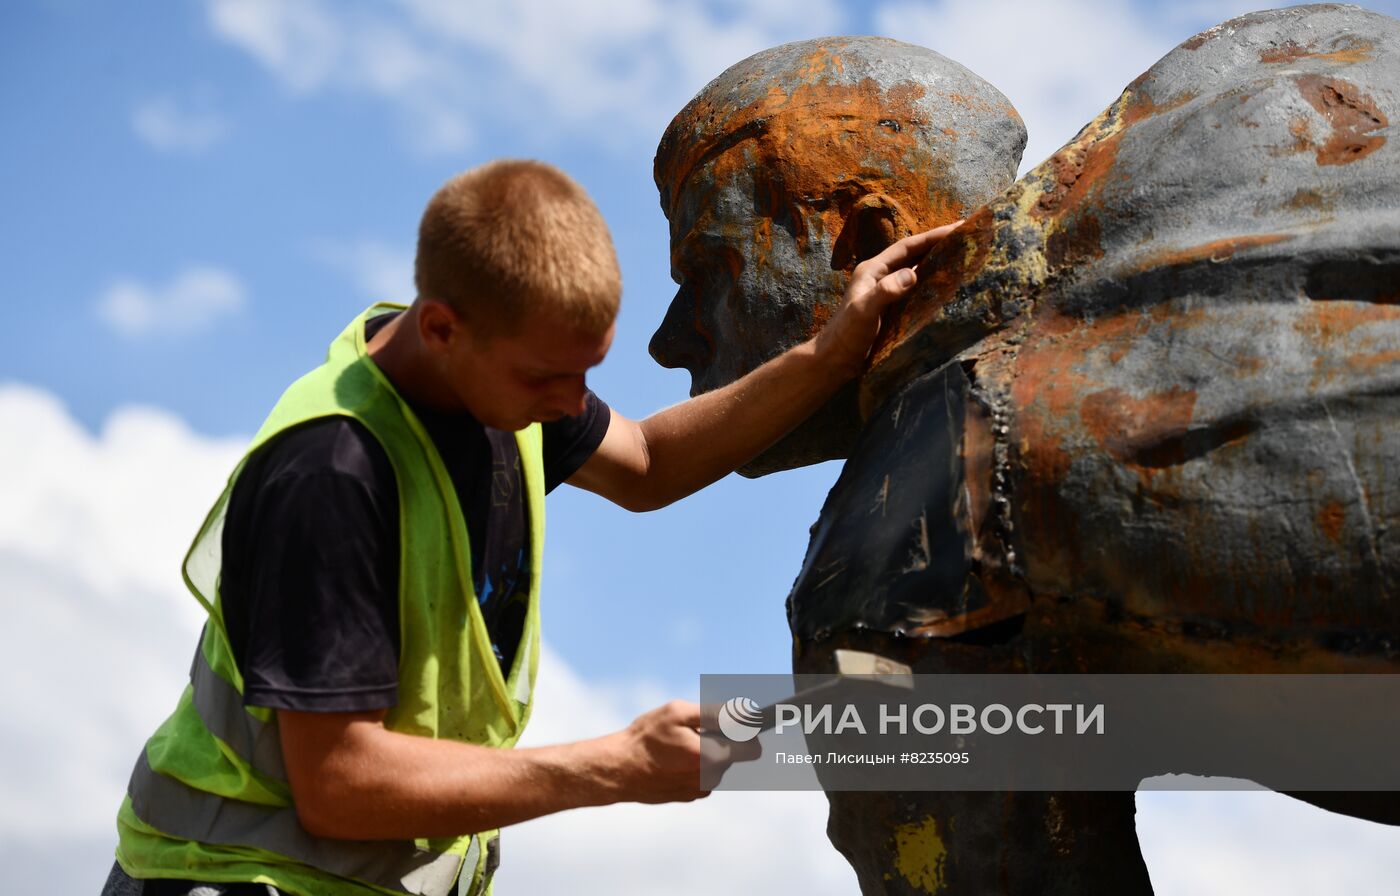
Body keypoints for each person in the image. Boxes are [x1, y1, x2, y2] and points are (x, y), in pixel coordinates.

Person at [652, 14, 1400, 896]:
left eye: (706, 273)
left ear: (861, 239)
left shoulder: (918, 514)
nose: (669, 343)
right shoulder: (1283, 75)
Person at [102, 159, 953, 896]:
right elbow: (338, 785)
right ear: (440, 327)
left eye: (588, 372)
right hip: (231, 876)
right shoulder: (330, 474)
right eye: (551, 378)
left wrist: (831, 353)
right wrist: (612, 767)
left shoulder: (495, 378)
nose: (574, 407)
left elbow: (649, 464)